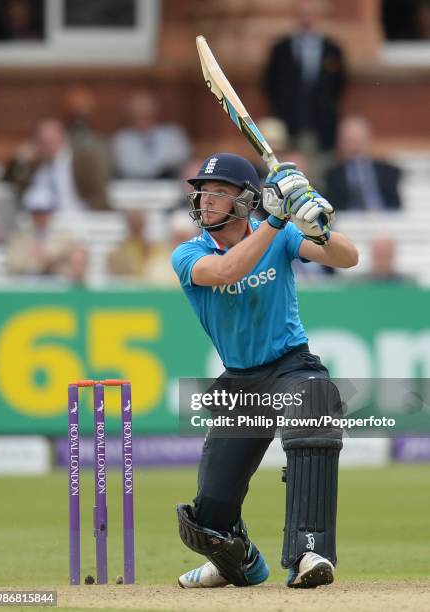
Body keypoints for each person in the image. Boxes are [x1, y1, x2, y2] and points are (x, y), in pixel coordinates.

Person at [171, 153, 358, 588]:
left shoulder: (283, 234)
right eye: (203, 192)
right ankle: (239, 562)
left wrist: (316, 224)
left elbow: (348, 257)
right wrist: (276, 222)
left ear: (245, 200)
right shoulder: (189, 252)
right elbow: (228, 269)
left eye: (219, 192)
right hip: (240, 382)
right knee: (209, 517)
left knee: (316, 401)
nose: (206, 200)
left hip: (290, 365)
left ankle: (310, 552)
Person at [263, 0, 346, 159]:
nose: (307, 18)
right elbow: (269, 84)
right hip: (288, 125)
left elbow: (339, 84)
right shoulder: (281, 49)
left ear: (318, 16)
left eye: (311, 14)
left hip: (322, 128)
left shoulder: (332, 49)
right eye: (302, 14)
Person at [325, 116, 402, 211]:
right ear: (341, 143)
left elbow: (396, 206)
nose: (355, 148)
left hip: (384, 220)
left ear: (368, 141)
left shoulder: (388, 172)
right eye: (350, 142)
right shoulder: (333, 175)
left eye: (358, 142)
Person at [111, 89, 191, 180]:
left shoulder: (173, 134)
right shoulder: (121, 139)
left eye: (146, 105)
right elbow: (126, 167)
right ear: (129, 110)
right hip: (131, 187)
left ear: (156, 108)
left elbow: (179, 162)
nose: (142, 109)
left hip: (169, 187)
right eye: (138, 106)